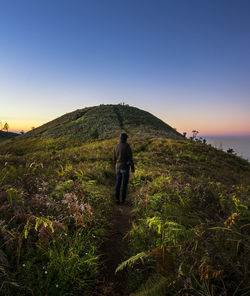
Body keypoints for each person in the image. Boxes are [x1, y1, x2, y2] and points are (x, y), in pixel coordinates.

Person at [113, 133, 135, 204]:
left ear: (120, 138)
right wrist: (132, 168)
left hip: (117, 167)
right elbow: (130, 158)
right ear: (125, 139)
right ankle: (123, 200)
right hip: (124, 167)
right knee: (124, 184)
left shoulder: (116, 146)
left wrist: (115, 166)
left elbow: (114, 158)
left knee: (118, 183)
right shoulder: (127, 146)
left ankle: (117, 199)